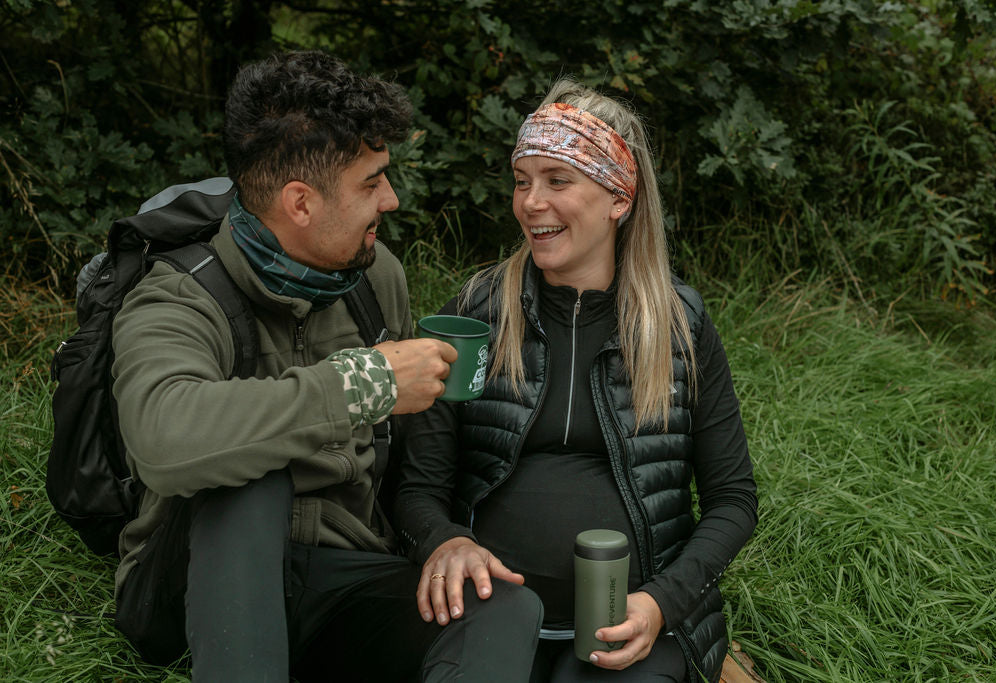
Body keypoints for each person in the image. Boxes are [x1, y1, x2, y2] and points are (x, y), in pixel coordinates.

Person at [110, 50, 541, 682]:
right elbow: (163, 437)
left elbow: (405, 465)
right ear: (300, 202)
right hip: (196, 583)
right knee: (251, 474)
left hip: (344, 575)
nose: (390, 200)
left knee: (501, 606)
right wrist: (366, 383)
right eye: (370, 184)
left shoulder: (377, 280)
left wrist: (444, 537)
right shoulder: (177, 296)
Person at [395, 79, 758, 682]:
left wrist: (660, 604)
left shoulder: (678, 325)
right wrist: (443, 541)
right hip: (488, 614)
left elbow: (733, 501)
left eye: (557, 180)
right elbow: (417, 486)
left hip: (632, 622)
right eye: (522, 180)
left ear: (619, 198)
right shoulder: (477, 312)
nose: (531, 202)